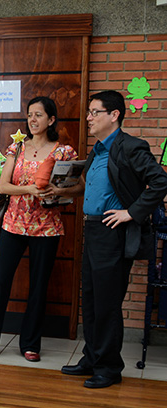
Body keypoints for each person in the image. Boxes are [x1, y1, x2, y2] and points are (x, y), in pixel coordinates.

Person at [61, 90, 167, 388]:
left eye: (95, 112)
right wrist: (62, 190)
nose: (89, 118)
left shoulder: (131, 147)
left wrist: (131, 212)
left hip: (114, 233)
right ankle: (92, 358)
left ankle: (109, 368)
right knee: (92, 300)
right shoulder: (97, 150)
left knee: (107, 303)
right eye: (89, 112)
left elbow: (160, 182)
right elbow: (90, 186)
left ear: (114, 115)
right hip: (93, 230)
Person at [0, 97, 79, 362]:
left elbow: (80, 187)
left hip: (47, 228)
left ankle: (30, 344)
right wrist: (29, 189)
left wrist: (59, 190)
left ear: (51, 120)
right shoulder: (17, 148)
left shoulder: (63, 152)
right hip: (13, 225)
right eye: (30, 115)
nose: (33, 120)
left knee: (38, 287)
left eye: (39, 115)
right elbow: (3, 186)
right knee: (0, 284)